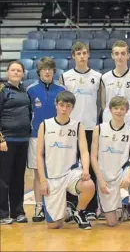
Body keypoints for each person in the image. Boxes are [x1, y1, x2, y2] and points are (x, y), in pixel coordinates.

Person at [36, 91, 95, 229]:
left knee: (89, 185)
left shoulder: (78, 126)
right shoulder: (45, 125)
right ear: (56, 105)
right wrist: (43, 181)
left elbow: (84, 151)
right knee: (54, 225)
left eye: (68, 106)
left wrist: (86, 170)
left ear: (72, 108)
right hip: (52, 177)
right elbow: (39, 155)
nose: (64, 109)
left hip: (70, 173)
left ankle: (79, 212)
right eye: (61, 105)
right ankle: (66, 210)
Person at [90, 96, 130, 229]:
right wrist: (100, 180)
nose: (119, 111)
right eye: (116, 108)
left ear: (127, 111)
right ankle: (121, 209)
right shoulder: (99, 129)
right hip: (105, 176)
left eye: (122, 109)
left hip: (122, 173)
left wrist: (128, 176)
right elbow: (93, 157)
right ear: (110, 110)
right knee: (112, 223)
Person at [60, 41, 102, 220]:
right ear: (73, 56)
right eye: (78, 53)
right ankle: (70, 204)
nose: (82, 56)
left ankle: (91, 207)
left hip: (91, 127)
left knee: (90, 167)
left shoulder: (98, 77)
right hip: (72, 128)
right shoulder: (65, 76)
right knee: (70, 166)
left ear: (88, 54)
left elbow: (101, 103)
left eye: (84, 53)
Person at [27, 57, 65, 222]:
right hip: (36, 136)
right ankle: (38, 206)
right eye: (44, 69)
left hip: (57, 137)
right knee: (38, 172)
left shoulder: (62, 90)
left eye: (50, 69)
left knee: (58, 172)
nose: (47, 71)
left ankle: (57, 206)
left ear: (54, 71)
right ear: (39, 72)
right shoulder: (30, 90)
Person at [0, 61, 31, 225]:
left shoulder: (25, 91)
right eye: (13, 70)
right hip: (6, 142)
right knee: (4, 179)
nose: (16, 72)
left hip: (23, 141)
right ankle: (3, 213)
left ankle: (18, 212)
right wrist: (1, 139)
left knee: (18, 178)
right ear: (8, 72)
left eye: (19, 70)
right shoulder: (2, 90)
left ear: (23, 73)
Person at [101, 40, 130, 129]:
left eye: (123, 53)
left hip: (127, 122)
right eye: (116, 54)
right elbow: (104, 104)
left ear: (128, 55)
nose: (120, 57)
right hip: (108, 122)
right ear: (112, 56)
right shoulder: (105, 78)